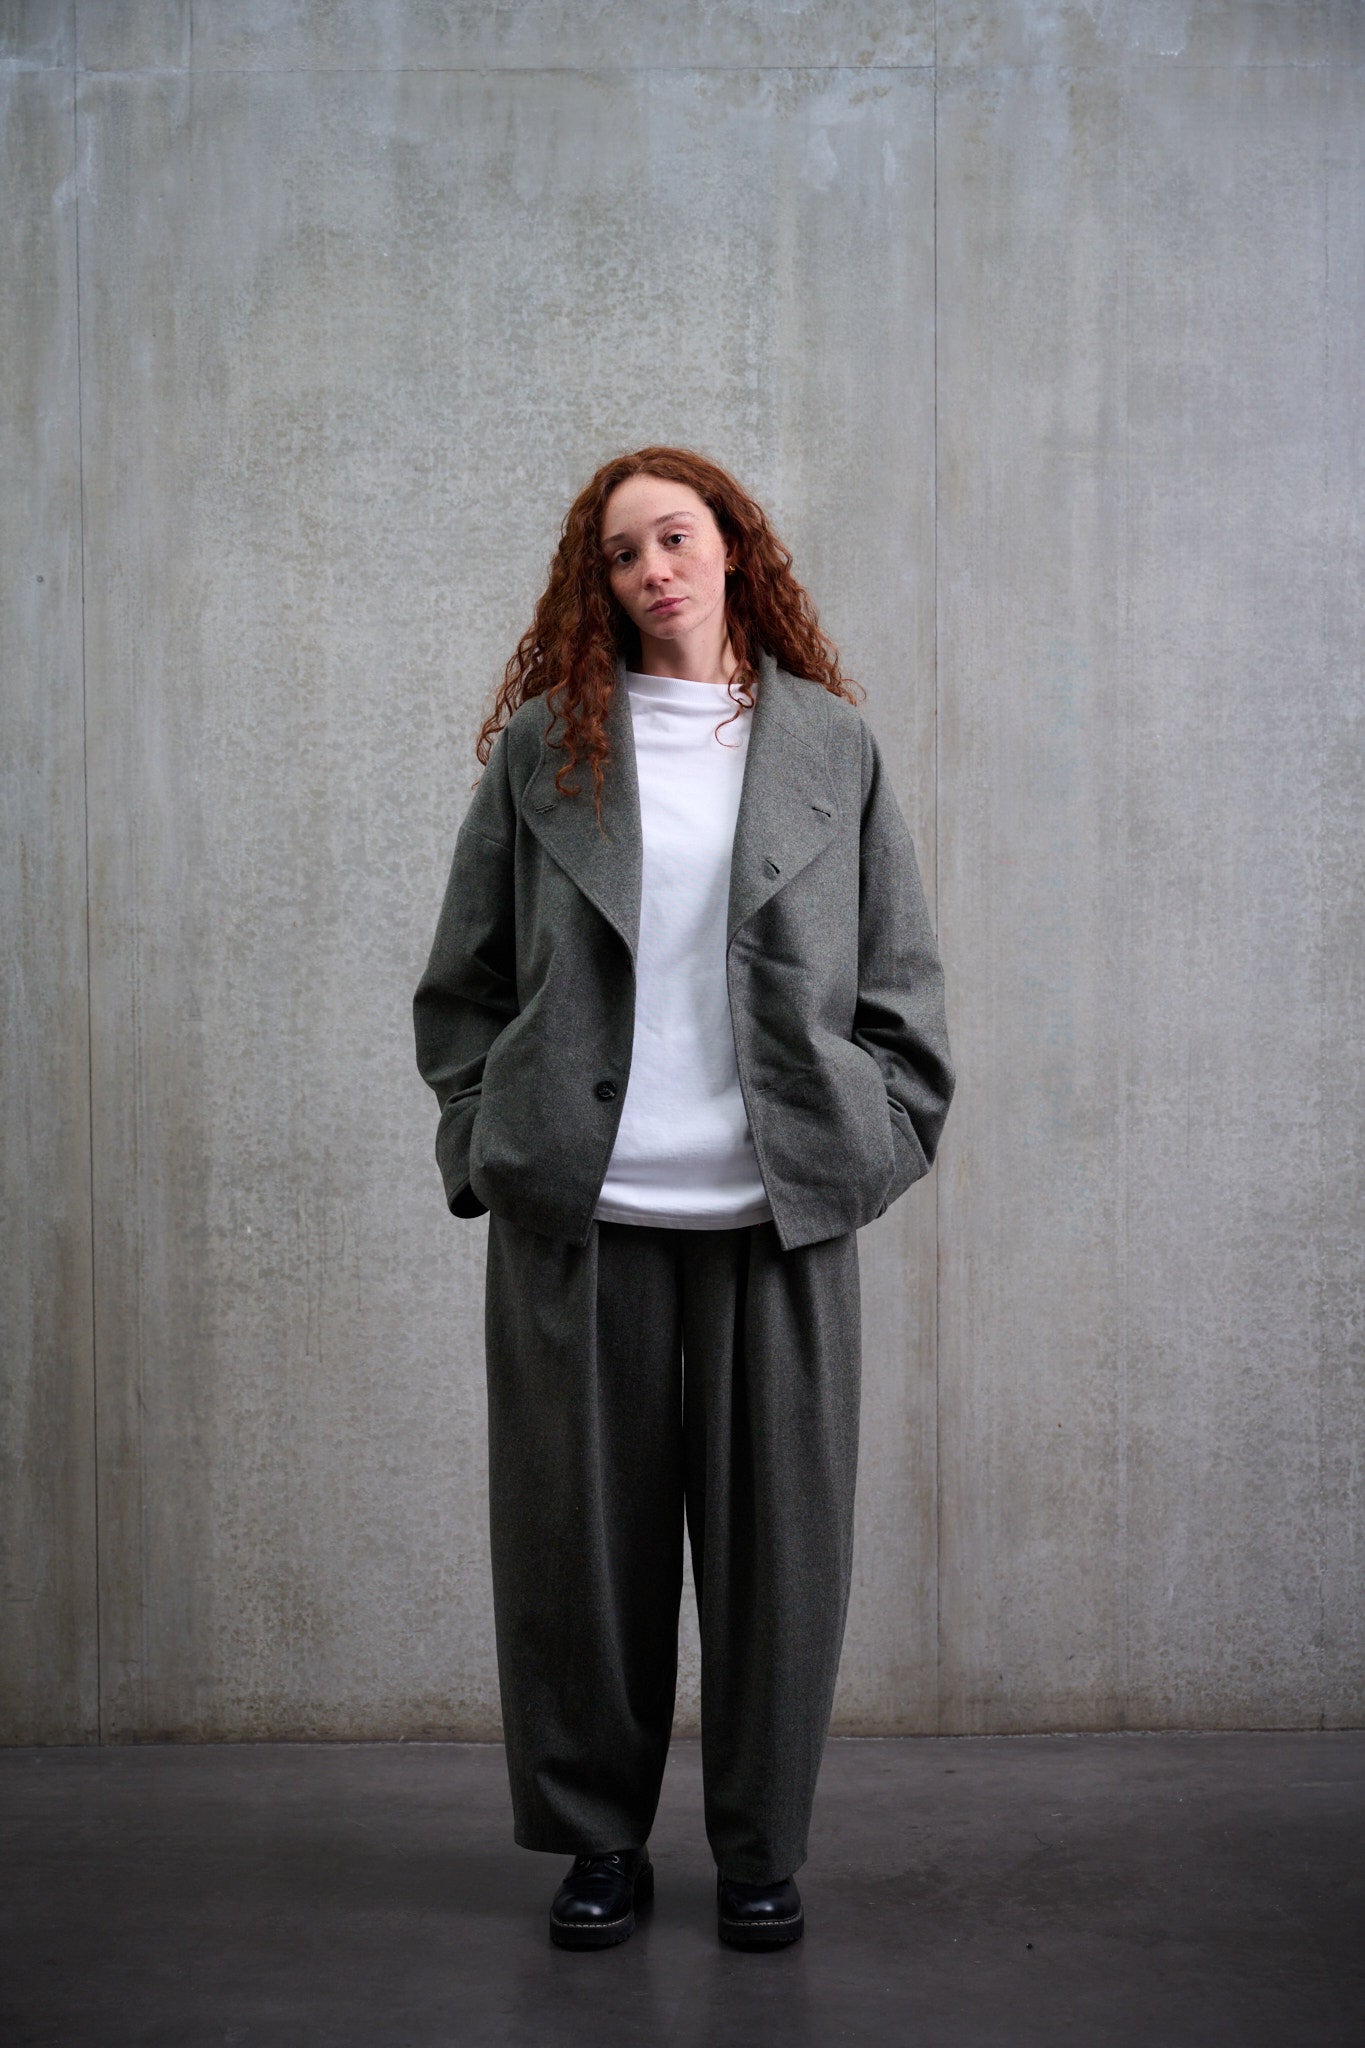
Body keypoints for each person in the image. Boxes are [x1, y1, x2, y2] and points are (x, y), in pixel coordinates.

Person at [412, 445, 954, 1952]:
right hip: (579, 1220)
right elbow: (461, 985)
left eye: (674, 537)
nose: (652, 569)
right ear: (597, 587)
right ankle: (598, 1842)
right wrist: (483, 1142)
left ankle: (762, 1847)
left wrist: (871, 1144)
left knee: (784, 1565)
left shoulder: (829, 744)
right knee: (577, 1563)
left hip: (777, 1223)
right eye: (621, 554)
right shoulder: (549, 747)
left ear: (732, 548)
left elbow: (902, 985)